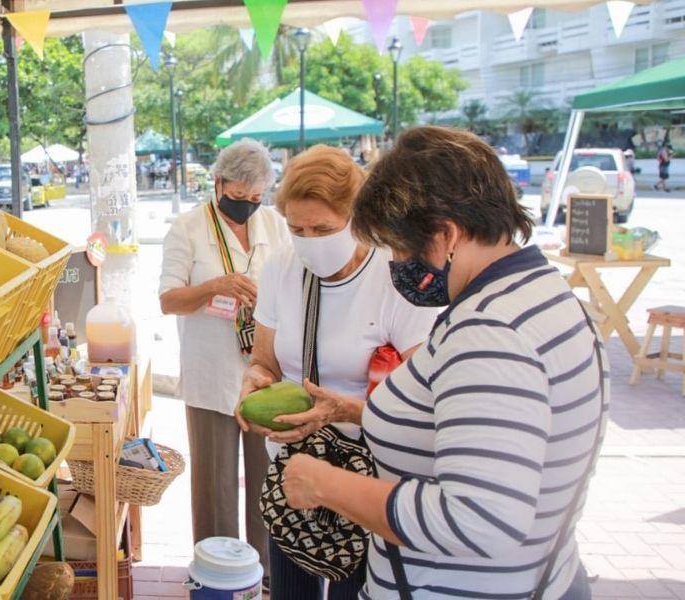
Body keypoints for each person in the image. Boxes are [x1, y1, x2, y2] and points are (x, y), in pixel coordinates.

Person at [276, 127, 607, 599]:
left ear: (447, 235)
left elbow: (476, 518)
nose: (395, 262)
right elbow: (480, 430)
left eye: (399, 246)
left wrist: (325, 484)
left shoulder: (490, 333)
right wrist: (352, 412)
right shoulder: (544, 295)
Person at [234, 146, 437, 600]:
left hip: (365, 475)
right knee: (291, 592)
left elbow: (426, 400)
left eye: (323, 229)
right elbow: (264, 362)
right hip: (294, 469)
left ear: (359, 218)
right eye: (296, 228)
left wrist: (342, 410)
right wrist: (256, 382)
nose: (308, 240)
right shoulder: (283, 268)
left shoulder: (394, 277)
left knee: (355, 592)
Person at [159, 139, 289, 583]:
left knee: (265, 479)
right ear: (217, 184)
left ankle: (265, 573)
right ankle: (216, 572)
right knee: (214, 488)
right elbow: (169, 300)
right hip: (210, 371)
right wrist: (215, 286)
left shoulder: (275, 225)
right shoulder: (188, 228)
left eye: (256, 199)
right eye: (238, 197)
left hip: (266, 370)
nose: (248, 207)